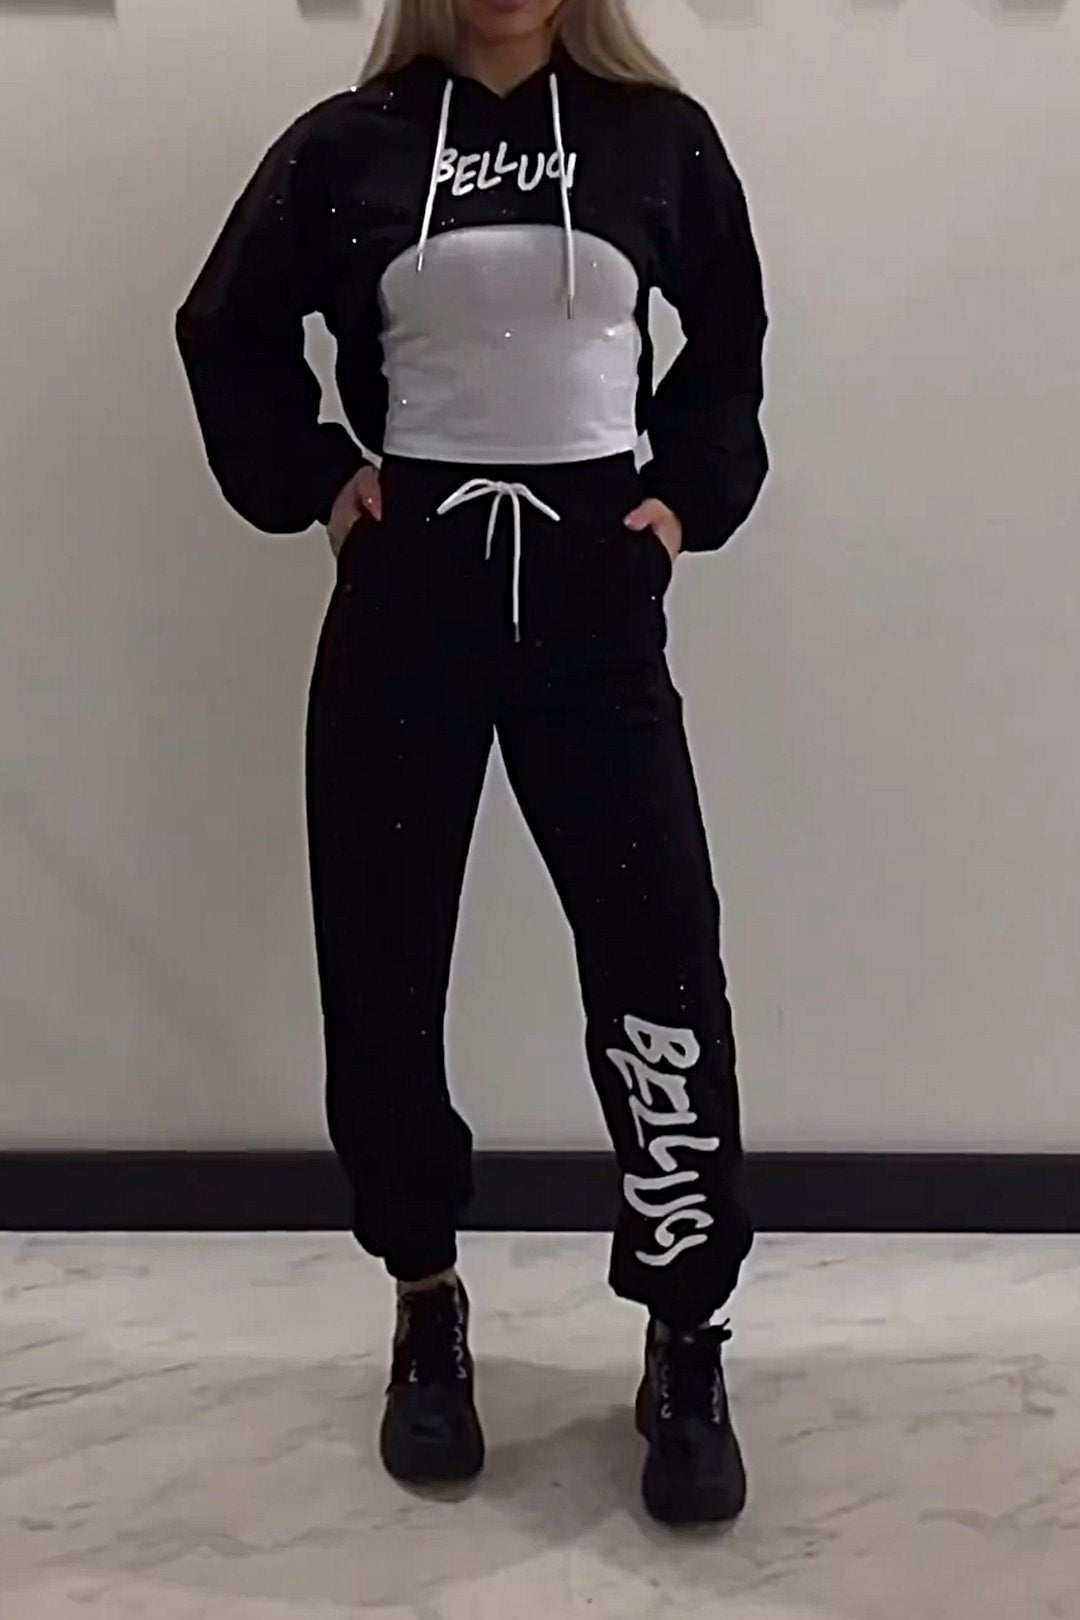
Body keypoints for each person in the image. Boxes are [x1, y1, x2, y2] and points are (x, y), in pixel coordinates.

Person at [175, 0, 769, 1527]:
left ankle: (685, 1332)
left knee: (660, 958)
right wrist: (325, 481)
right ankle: (425, 1303)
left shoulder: (659, 142)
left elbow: (731, 345)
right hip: (409, 608)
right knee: (383, 958)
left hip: (593, 608)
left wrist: (684, 503)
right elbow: (224, 329)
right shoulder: (349, 147)